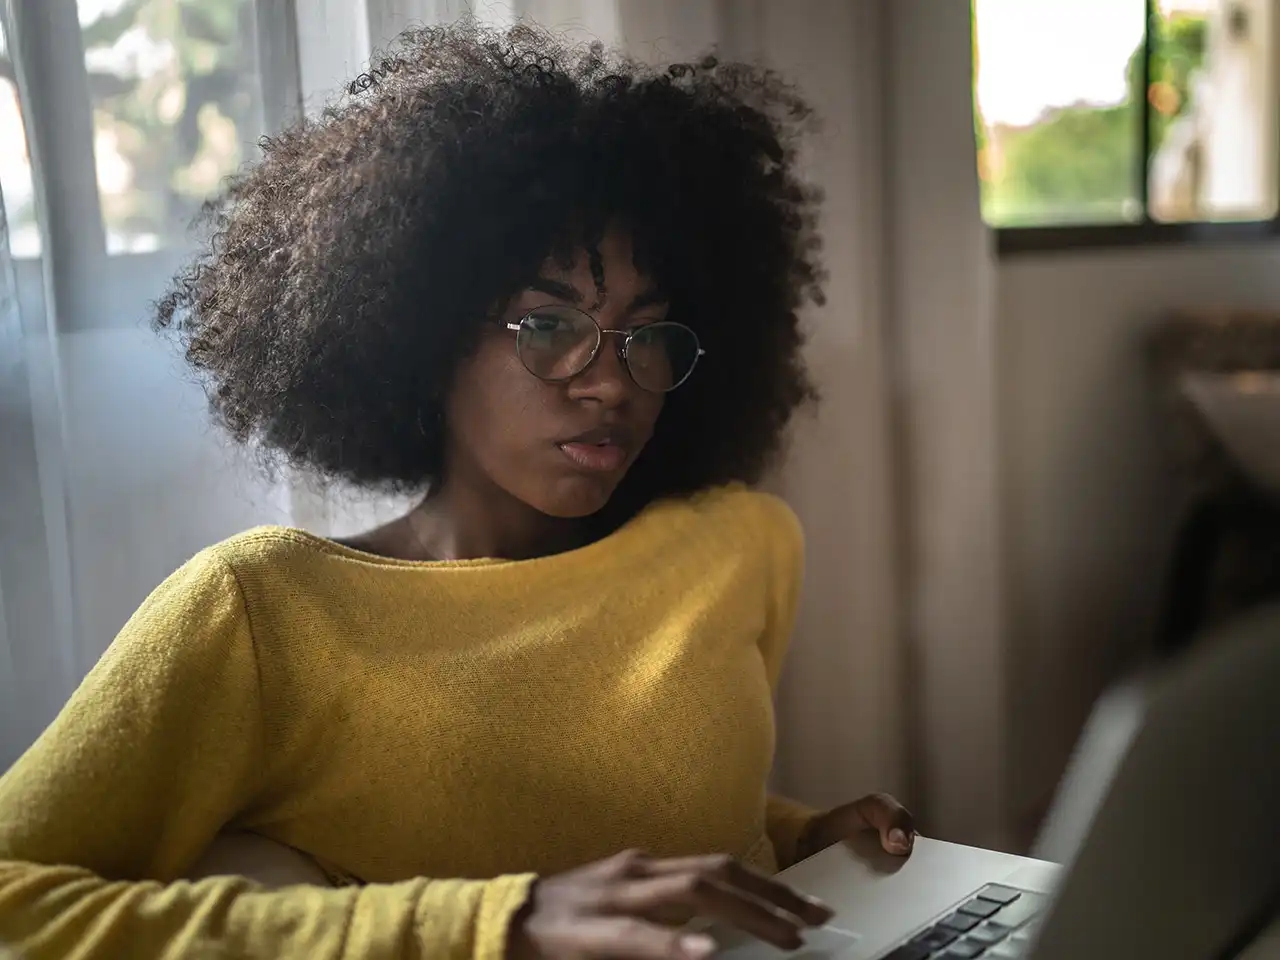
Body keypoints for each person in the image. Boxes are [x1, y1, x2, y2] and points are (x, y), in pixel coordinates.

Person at [0, 20, 915, 960]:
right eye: (551, 325)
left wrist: (803, 848)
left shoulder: (740, 544)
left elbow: (641, 791)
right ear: (423, 336)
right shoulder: (264, 614)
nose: (612, 382)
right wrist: (490, 926)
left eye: (647, 335)